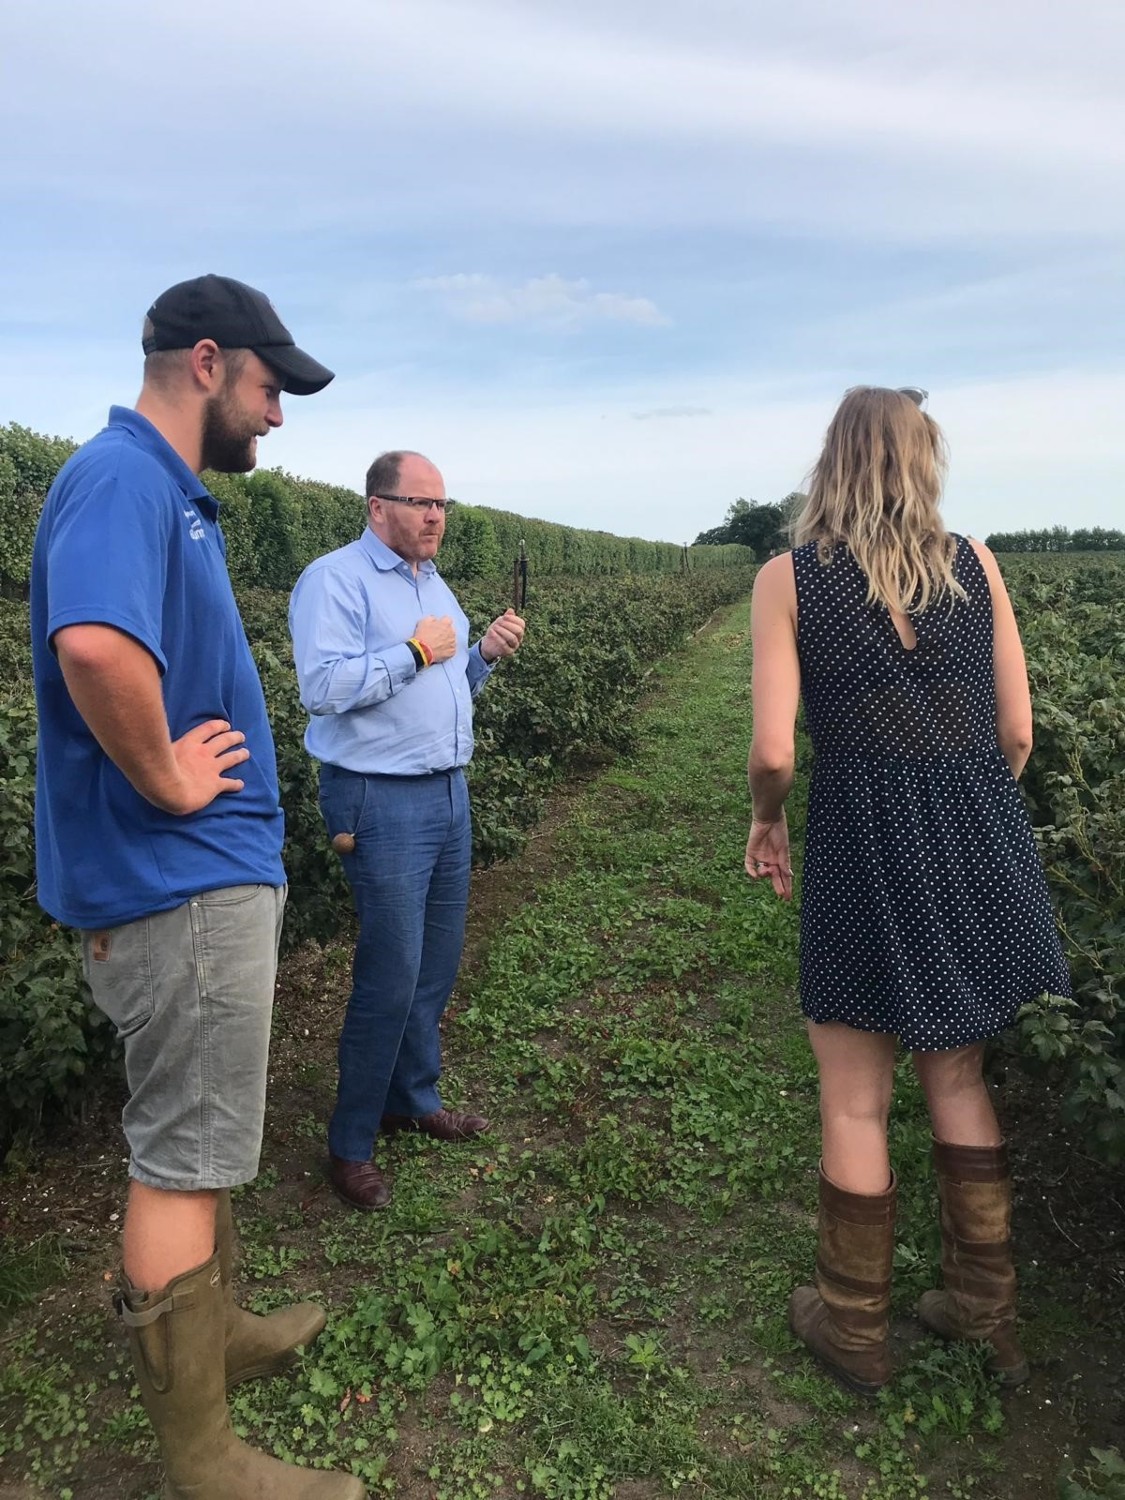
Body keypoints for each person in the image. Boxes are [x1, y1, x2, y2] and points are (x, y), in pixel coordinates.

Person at [31, 275, 364, 1498]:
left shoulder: (164, 493)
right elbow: (95, 646)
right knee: (180, 1153)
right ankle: (204, 1461)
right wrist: (169, 776)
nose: (278, 417)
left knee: (205, 1138)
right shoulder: (124, 480)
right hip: (173, 885)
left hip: (193, 883)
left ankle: (213, 1335)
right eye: (273, 389)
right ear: (209, 362)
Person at [744, 386, 1070, 1396]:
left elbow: (772, 750)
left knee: (854, 1095)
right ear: (923, 461)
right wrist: (961, 799)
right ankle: (986, 1314)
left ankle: (854, 1329)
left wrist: (766, 819)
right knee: (959, 1079)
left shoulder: (787, 580)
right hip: (976, 830)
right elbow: (1017, 733)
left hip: (855, 837)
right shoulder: (976, 564)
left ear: (831, 463)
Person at [288, 450, 525, 1211]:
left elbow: (448, 681)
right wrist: (416, 649)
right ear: (375, 506)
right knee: (390, 977)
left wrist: (479, 654)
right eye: (418, 501)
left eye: (442, 503)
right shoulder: (336, 580)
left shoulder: (434, 585)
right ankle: (350, 1144)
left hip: (445, 794)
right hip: (377, 801)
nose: (435, 516)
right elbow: (322, 688)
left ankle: (411, 1101)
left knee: (434, 968)